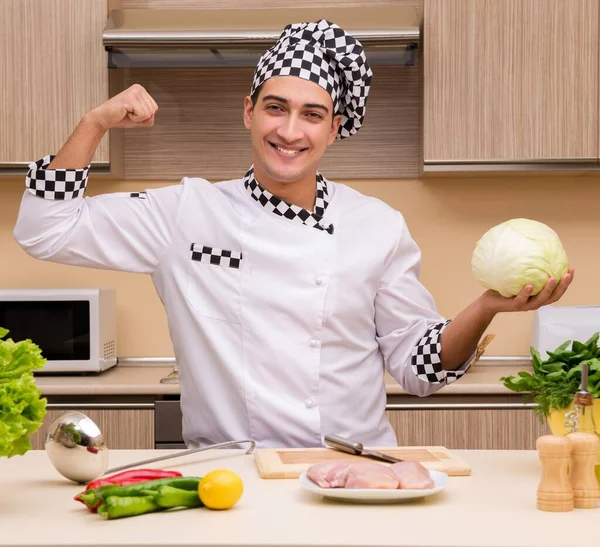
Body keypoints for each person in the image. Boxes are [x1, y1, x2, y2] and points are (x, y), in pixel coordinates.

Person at [13, 20, 573, 449]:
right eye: (275, 108)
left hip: (356, 469)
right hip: (233, 479)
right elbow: (45, 230)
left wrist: (486, 307)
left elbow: (418, 367)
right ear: (248, 112)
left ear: (334, 128)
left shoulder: (376, 224)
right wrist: (94, 125)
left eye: (311, 114)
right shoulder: (186, 211)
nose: (289, 130)